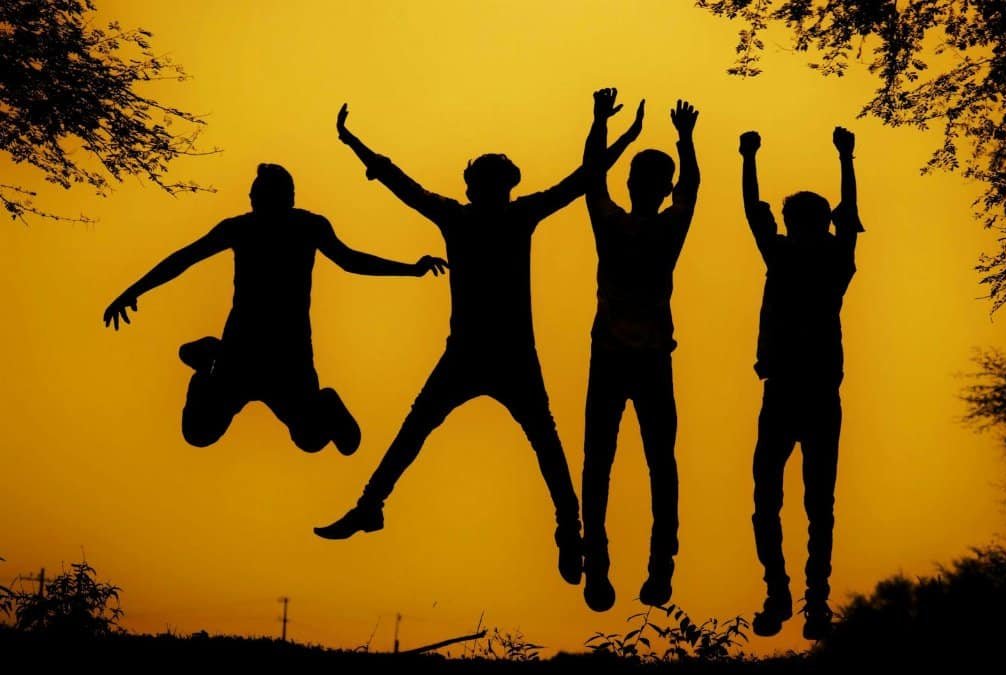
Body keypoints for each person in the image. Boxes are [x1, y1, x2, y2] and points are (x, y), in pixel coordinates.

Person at [314, 99, 642, 586]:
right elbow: (582, 179)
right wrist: (614, 131)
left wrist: (354, 144)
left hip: (484, 354)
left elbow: (401, 183)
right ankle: (568, 530)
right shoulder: (510, 215)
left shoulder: (465, 217)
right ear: (504, 186)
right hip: (488, 354)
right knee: (537, 444)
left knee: (432, 431)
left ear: (479, 187)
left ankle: (371, 506)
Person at [102, 163, 447, 456]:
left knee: (312, 440)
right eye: (253, 196)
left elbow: (350, 260)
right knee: (198, 434)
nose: (253, 201)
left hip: (288, 356)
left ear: (284, 198)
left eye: (259, 195)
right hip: (240, 353)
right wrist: (134, 290)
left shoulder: (306, 227)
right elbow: (185, 258)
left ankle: (311, 397)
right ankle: (205, 364)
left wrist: (410, 269)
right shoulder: (241, 228)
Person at [739, 127, 864, 640]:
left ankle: (798, 596)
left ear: (798, 224)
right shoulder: (826, 258)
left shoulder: (795, 257)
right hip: (801, 393)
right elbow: (846, 216)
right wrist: (845, 158)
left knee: (791, 501)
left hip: (800, 393)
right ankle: (798, 596)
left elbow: (755, 211)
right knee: (803, 503)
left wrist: (748, 158)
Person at [578, 89, 700, 611]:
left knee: (601, 462)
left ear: (632, 185)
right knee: (658, 462)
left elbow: (591, 177)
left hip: (617, 355)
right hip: (647, 357)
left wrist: (601, 124)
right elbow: (691, 188)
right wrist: (686, 140)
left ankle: (603, 563)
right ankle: (657, 565)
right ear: (660, 187)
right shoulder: (668, 227)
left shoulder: (614, 223)